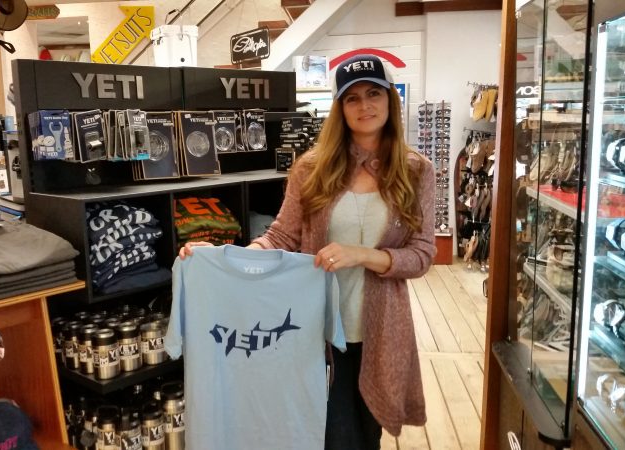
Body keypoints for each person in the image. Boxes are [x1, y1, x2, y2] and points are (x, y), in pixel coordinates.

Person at [179, 53, 436, 449]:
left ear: (390, 100)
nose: (365, 106)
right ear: (339, 108)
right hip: (311, 329)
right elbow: (281, 236)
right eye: (352, 98)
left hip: (380, 329)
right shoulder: (312, 169)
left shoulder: (416, 170)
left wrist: (363, 255)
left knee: (366, 434)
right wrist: (221, 260)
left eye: (373, 93)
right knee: (320, 432)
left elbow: (421, 254)